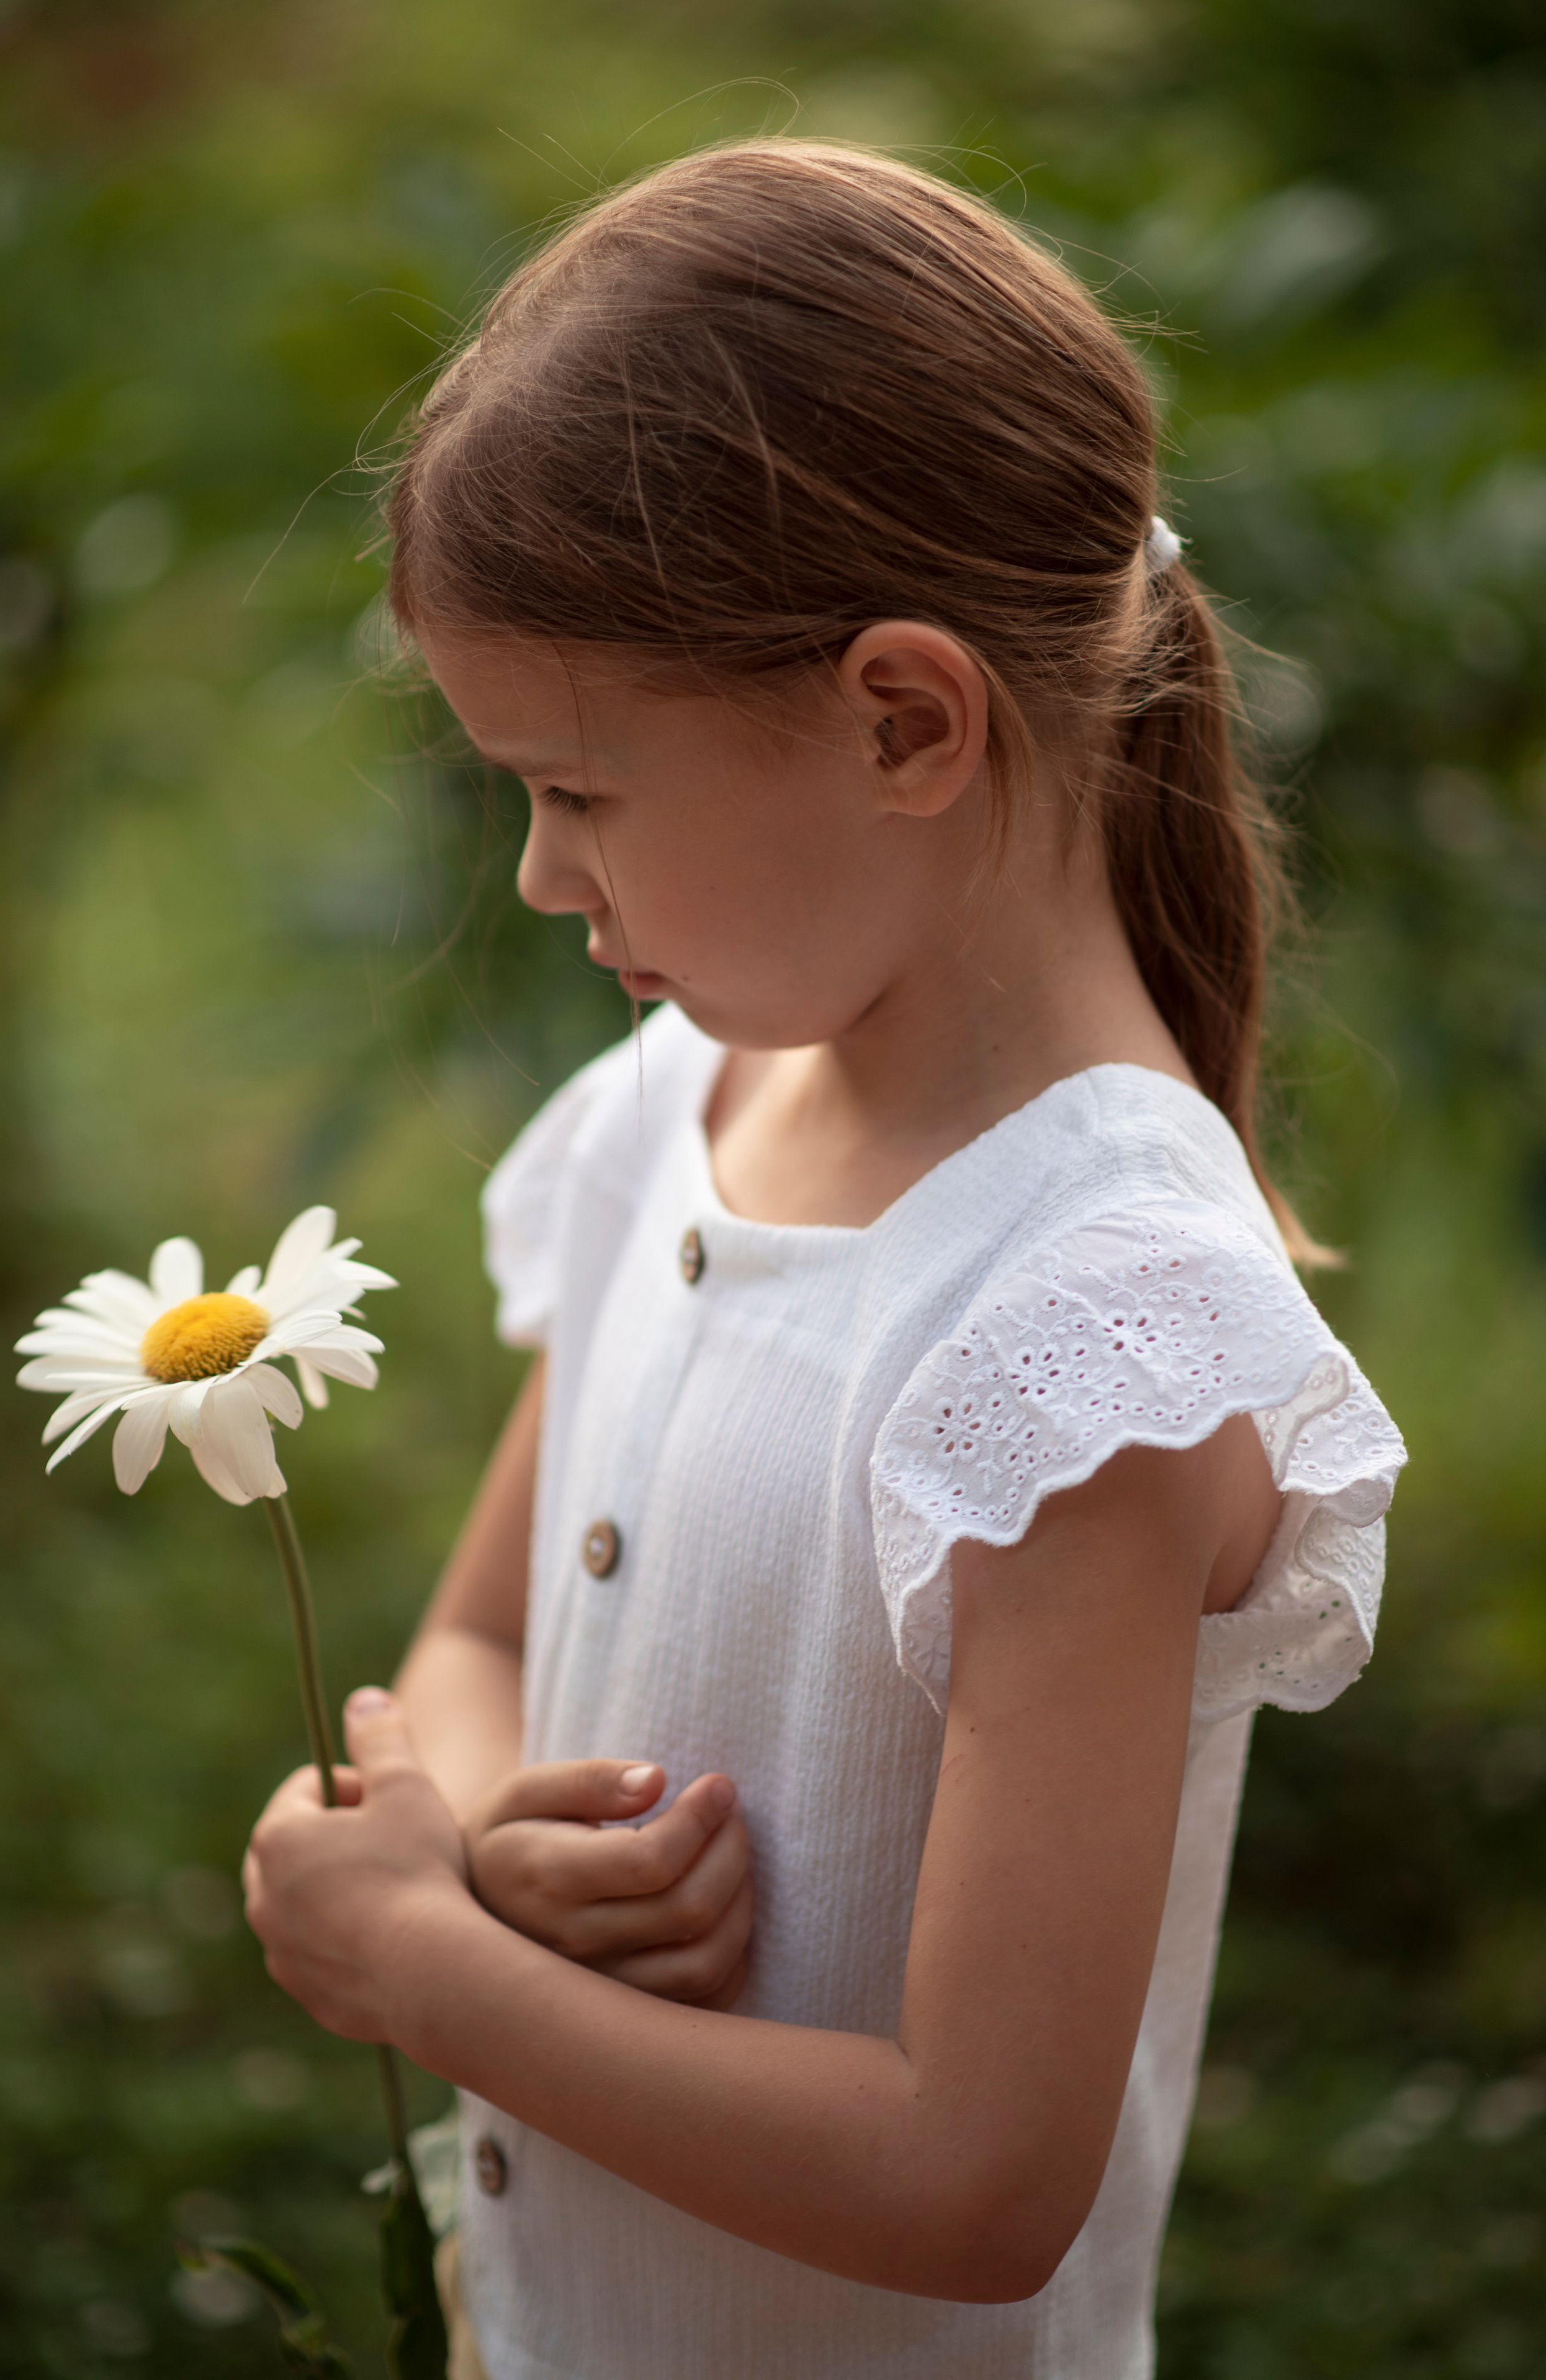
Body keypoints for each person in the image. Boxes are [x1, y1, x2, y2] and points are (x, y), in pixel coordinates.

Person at [244, 140, 1405, 2380]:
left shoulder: (1090, 1332)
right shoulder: (680, 1110)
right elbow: (480, 1633)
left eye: (578, 789)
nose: (541, 877)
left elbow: (970, 2177)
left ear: (903, 718)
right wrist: (482, 1836)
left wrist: (431, 1970)